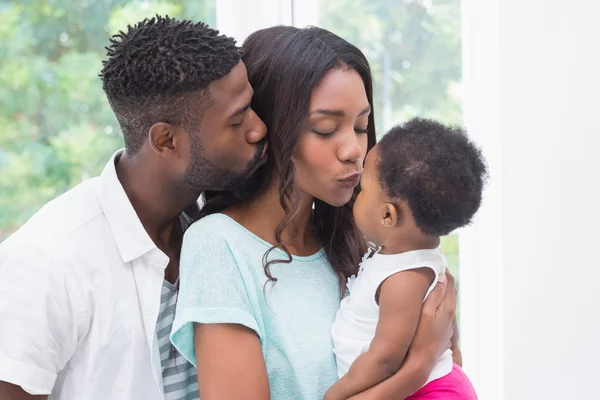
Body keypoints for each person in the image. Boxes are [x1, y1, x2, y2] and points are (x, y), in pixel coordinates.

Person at [170, 26, 458, 400]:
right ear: (267, 128)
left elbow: (446, 377)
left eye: (361, 126)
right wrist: (417, 367)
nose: (353, 149)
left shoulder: (371, 243)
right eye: (325, 129)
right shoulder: (218, 247)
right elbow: (419, 367)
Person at [0, 16, 268, 400]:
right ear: (166, 141)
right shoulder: (47, 262)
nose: (259, 128)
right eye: (237, 120)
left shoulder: (213, 230)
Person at [325, 118, 486, 400]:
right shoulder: (414, 259)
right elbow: (450, 335)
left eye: (362, 189)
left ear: (388, 215)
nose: (356, 195)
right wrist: (454, 359)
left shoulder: (403, 279)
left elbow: (385, 358)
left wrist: (336, 395)